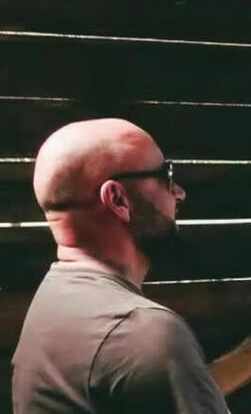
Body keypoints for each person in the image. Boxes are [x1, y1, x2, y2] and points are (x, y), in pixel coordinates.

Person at [12, 118, 230, 414]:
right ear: (118, 199)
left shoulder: (53, 302)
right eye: (165, 176)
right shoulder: (141, 333)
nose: (179, 193)